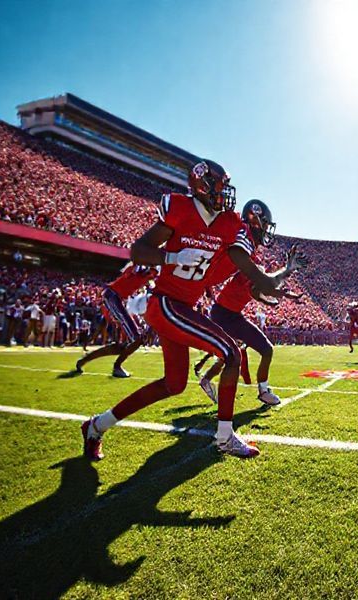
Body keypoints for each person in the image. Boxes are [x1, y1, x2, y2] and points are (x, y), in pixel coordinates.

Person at [81, 160, 297, 461]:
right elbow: (139, 251)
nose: (225, 194)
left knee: (173, 384)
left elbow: (252, 272)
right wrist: (172, 257)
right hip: (166, 303)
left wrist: (281, 275)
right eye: (219, 186)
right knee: (232, 354)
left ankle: (96, 426)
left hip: (182, 307)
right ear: (201, 186)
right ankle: (225, 437)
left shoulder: (230, 224)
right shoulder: (180, 208)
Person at [194, 199, 305, 407]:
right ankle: (253, 395)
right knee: (244, 354)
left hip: (230, 314)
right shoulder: (243, 250)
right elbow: (265, 284)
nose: (266, 230)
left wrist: (271, 298)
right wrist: (286, 276)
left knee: (240, 353)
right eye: (265, 225)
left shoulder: (250, 257)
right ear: (256, 221)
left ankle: (209, 380)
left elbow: (256, 290)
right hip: (223, 314)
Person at [75, 264, 157, 377]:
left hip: (117, 299)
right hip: (113, 297)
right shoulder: (141, 267)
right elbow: (136, 266)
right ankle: (117, 367)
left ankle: (85, 359)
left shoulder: (152, 274)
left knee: (126, 344)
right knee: (137, 338)